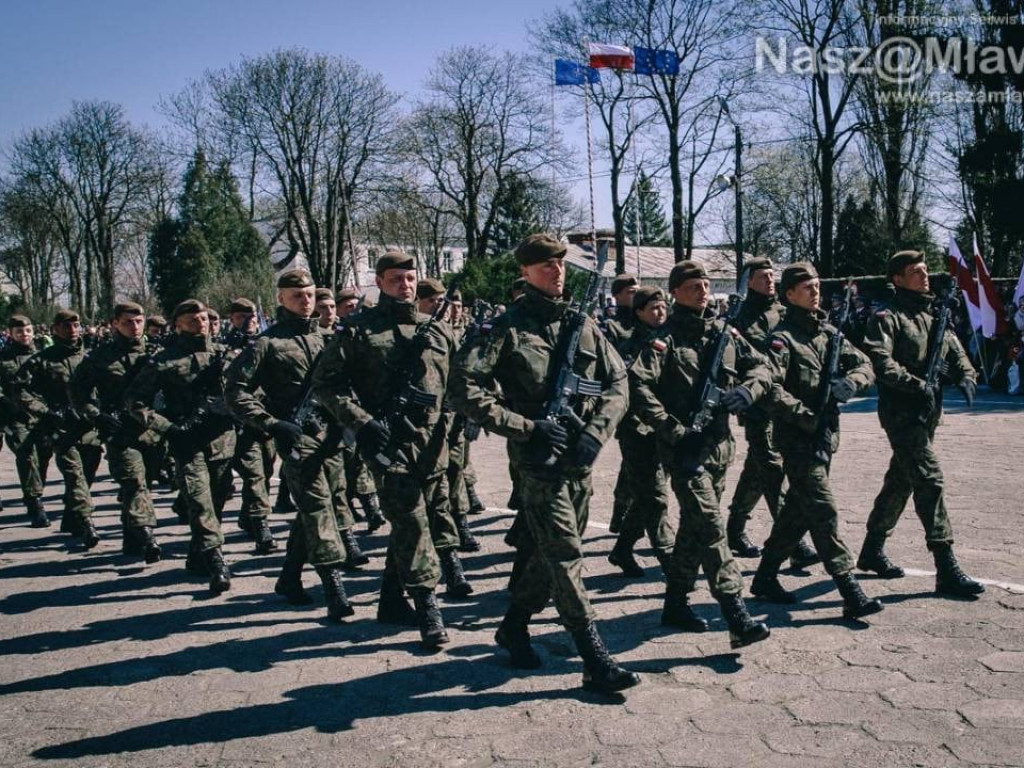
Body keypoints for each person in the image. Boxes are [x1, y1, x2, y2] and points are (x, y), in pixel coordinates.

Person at [451, 233, 641, 694]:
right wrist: (525, 426)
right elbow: (463, 387)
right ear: (525, 272)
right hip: (538, 463)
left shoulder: (582, 323)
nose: (556, 271)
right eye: (545, 265)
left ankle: (513, 625)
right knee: (565, 554)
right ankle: (594, 657)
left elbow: (618, 382)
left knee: (543, 554)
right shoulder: (506, 328)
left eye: (560, 263)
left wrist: (595, 433)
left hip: (579, 459)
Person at [313, 250, 455, 649]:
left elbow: (457, 381)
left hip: (433, 446)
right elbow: (327, 385)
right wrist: (362, 422)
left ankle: (391, 600)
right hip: (387, 443)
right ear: (378, 283)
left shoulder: (437, 329)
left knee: (417, 521)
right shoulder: (357, 331)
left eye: (409, 278)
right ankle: (428, 606)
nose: (404, 285)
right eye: (395, 279)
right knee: (411, 522)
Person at [629, 260, 771, 648]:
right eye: (694, 286)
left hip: (719, 447)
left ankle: (675, 603)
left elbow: (762, 366)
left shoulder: (725, 333)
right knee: (710, 526)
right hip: (684, 451)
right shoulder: (664, 341)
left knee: (694, 528)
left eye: (706, 285)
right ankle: (736, 615)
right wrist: (673, 431)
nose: (703, 291)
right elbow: (638, 387)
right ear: (675, 292)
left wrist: (748, 390)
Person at [749, 263, 883, 620]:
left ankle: (764, 577)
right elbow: (770, 386)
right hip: (797, 438)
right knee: (823, 510)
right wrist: (803, 414)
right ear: (789, 294)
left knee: (796, 512)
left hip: (825, 436)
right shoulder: (781, 339)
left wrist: (852, 382)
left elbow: (866, 363)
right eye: (807, 287)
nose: (815, 291)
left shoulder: (828, 334)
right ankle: (850, 590)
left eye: (817, 285)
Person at [225, 271, 354, 621]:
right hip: (297, 437)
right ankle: (334, 587)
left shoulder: (329, 338)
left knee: (316, 507)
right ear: (280, 298)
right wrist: (271, 423)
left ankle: (289, 576)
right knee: (318, 506)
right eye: (297, 295)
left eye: (309, 294)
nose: (306, 300)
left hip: (332, 436)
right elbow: (235, 391)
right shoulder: (266, 344)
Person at [857, 251, 984, 598]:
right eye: (915, 271)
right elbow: (880, 361)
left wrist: (967, 375)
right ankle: (946, 567)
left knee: (900, 481)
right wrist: (916, 384)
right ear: (897, 279)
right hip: (901, 413)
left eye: (925, 270)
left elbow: (955, 351)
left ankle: (871, 551)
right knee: (929, 479)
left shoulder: (932, 315)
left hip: (928, 413)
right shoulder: (888, 317)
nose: (924, 276)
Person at [126, 300, 236, 594]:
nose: (200, 323)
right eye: (192, 320)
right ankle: (216, 562)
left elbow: (249, 390)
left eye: (203, 318)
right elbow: (136, 402)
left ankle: (197, 555)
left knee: (217, 499)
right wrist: (169, 428)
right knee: (199, 502)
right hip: (187, 442)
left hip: (222, 440)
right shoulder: (163, 360)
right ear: (177, 325)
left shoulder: (225, 354)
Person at [725, 258, 818, 568]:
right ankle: (793, 543)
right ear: (748, 281)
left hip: (784, 403)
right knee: (772, 469)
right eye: (762, 276)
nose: (769, 281)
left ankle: (735, 528)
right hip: (757, 405)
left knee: (757, 470)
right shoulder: (739, 318)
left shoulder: (783, 312)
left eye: (771, 275)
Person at [72, 302, 163, 562]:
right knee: (133, 481)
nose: (134, 327)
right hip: (119, 430)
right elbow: (77, 392)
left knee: (145, 482)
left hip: (152, 430)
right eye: (127, 322)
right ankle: (147, 536)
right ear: (115, 324)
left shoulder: (157, 353)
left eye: (138, 321)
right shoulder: (100, 357)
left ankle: (131, 538)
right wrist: (97, 416)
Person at [605, 286, 675, 578]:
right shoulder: (631, 346)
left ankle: (622, 549)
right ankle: (671, 563)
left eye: (663, 307)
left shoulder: (669, 339)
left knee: (646, 495)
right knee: (655, 497)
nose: (660, 313)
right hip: (638, 431)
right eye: (653, 308)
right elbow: (632, 389)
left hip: (665, 430)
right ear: (639, 312)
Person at [18, 309, 103, 548]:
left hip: (88, 426)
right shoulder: (42, 360)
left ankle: (72, 514)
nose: (72, 330)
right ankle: (86, 522)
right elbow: (22, 391)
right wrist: (46, 411)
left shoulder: (91, 358)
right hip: (61, 427)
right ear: (55, 329)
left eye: (76, 325)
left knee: (88, 471)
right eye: (66, 326)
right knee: (74, 474)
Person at [416, 277, 480, 572]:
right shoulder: (413, 333)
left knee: (455, 471)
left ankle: (461, 525)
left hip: (450, 417)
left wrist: (471, 411)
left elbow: (463, 374)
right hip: (419, 423)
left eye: (441, 301)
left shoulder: (446, 333)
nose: (439, 307)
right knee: (431, 481)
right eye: (431, 301)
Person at [223, 297, 278, 554]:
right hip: (241, 422)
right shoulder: (224, 348)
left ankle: (248, 516)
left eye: (251, 317)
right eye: (241, 317)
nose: (247, 322)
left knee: (265, 470)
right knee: (254, 474)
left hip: (267, 420)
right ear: (231, 319)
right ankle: (261, 526)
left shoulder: (267, 343)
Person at [335, 287, 385, 532]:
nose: (353, 310)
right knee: (345, 466)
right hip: (340, 410)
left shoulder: (366, 334)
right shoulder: (338, 336)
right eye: (348, 306)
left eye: (356, 306)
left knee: (361, 462)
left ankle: (372, 509)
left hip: (366, 410)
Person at [0, 315, 51, 527]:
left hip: (42, 414)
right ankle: (35, 502)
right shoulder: (3, 358)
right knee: (26, 453)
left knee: (44, 454)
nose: (24, 335)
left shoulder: (43, 355)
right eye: (19, 331)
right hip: (15, 415)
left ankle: (35, 491)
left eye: (28, 330)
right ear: (11, 333)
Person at [601, 274, 639, 535]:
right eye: (630, 292)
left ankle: (623, 510)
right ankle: (622, 509)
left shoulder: (647, 321)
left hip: (651, 401)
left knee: (637, 462)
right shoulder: (611, 327)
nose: (636, 295)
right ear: (616, 296)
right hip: (626, 401)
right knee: (633, 460)